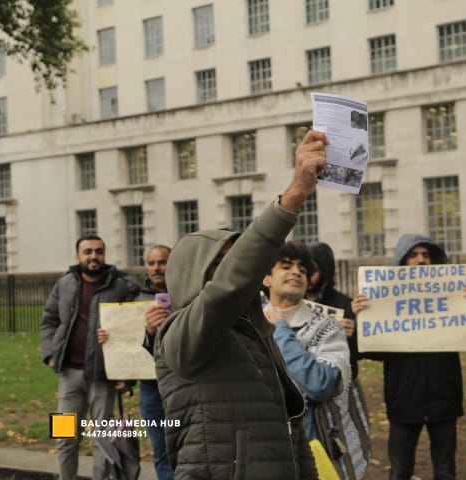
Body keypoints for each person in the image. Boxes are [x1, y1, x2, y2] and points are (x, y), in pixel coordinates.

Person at [154, 130, 327, 479]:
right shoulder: (180, 332)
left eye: (236, 261)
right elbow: (224, 292)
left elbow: (289, 423)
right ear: (193, 272)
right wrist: (293, 195)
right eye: (222, 263)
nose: (239, 273)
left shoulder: (253, 332)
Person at [352, 234, 463, 480]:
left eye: (426, 255)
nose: (421, 261)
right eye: (413, 255)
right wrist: (363, 317)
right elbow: (370, 350)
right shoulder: (385, 303)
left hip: (445, 398)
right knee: (400, 471)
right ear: (401, 263)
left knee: (445, 472)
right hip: (403, 400)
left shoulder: (453, 299)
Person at [40, 235, 140, 480]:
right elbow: (48, 321)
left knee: (103, 439)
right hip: (69, 376)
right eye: (87, 252)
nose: (93, 256)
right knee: (65, 437)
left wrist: (126, 373)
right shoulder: (64, 284)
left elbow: (136, 325)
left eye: (98, 251)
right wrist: (51, 354)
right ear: (78, 256)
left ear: (104, 255)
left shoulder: (121, 285)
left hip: (102, 376)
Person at [263, 241, 351, 441]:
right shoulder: (248, 324)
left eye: (302, 269)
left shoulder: (327, 327)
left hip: (306, 444)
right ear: (267, 278)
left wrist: (281, 334)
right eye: (286, 266)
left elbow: (321, 384)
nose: (296, 272)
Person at [136, 245, 174, 480]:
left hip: (184, 383)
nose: (156, 268)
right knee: (161, 450)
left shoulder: (188, 293)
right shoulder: (135, 300)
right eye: (151, 263)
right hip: (151, 386)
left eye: (162, 262)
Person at [306, 241, 360, 379]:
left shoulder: (345, 304)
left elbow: (356, 355)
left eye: (313, 270)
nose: (307, 275)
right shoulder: (290, 302)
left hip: (338, 381)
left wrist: (353, 335)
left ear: (325, 271)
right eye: (303, 269)